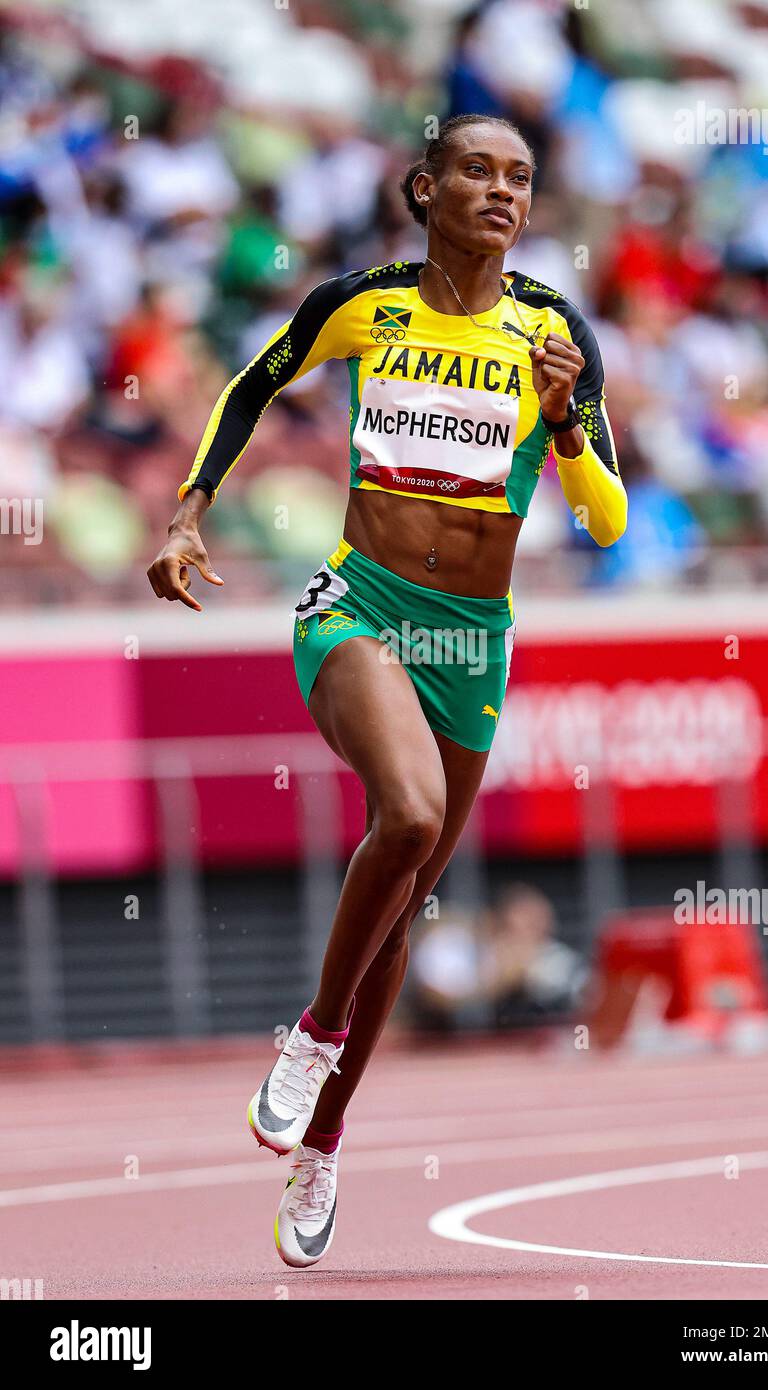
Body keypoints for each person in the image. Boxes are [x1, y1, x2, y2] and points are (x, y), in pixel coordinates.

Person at [146, 114, 627, 1268]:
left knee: (406, 903)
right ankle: (312, 1033)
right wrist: (185, 513)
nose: (501, 191)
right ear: (425, 187)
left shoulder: (553, 333)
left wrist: (562, 419)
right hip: (358, 606)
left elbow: (603, 518)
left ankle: (324, 1143)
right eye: (475, 170)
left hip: (473, 639)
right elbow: (252, 385)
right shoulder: (361, 302)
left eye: (520, 175)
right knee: (406, 817)